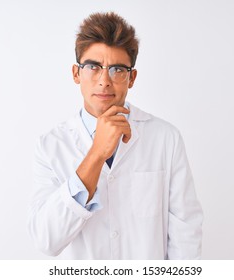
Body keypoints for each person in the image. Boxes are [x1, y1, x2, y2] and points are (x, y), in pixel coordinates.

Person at [28, 12, 203, 259]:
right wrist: (98, 152)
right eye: (93, 67)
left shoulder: (165, 138)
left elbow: (186, 235)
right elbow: (47, 240)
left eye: (117, 69)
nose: (104, 81)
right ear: (76, 74)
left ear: (131, 78)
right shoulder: (50, 146)